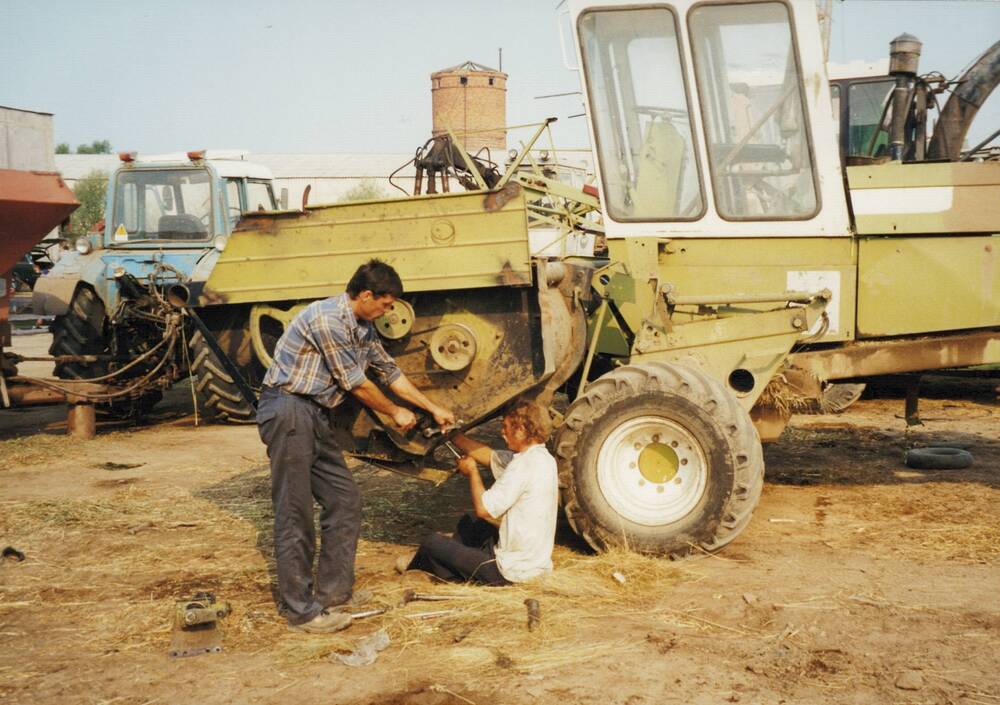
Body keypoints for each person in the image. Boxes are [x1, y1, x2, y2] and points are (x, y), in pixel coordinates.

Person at [257, 259, 455, 633]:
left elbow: (389, 372)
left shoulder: (362, 327)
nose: (388, 312)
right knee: (294, 511)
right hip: (288, 411)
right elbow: (357, 383)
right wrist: (396, 413)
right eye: (384, 304)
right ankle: (301, 611)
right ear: (365, 295)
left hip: (314, 416)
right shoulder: (327, 319)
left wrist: (432, 408)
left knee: (345, 499)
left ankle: (333, 595)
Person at [403, 401, 559, 586]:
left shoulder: (522, 466)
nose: (502, 432)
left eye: (506, 427)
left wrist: (472, 472)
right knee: (470, 526)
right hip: (534, 565)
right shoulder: (544, 459)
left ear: (521, 430)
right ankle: (451, 566)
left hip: (510, 573)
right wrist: (451, 435)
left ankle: (417, 571)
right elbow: (492, 457)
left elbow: (484, 509)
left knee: (431, 542)